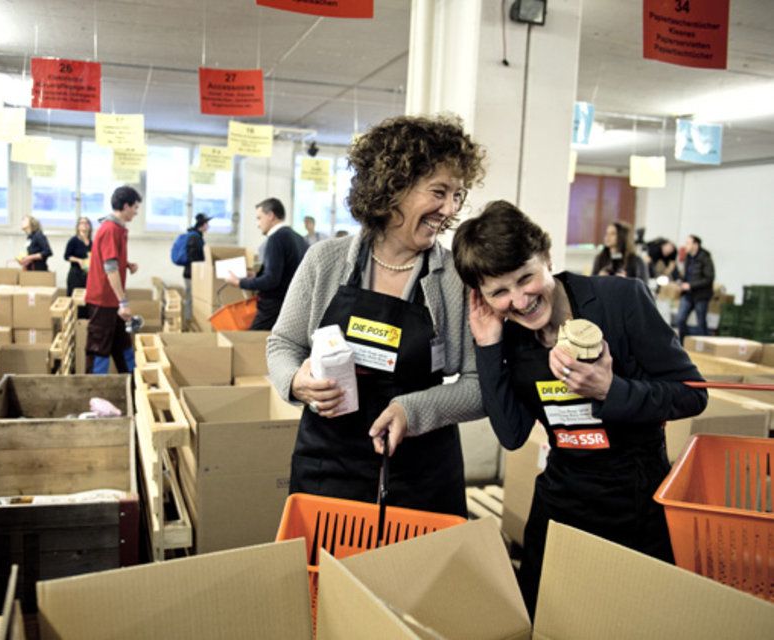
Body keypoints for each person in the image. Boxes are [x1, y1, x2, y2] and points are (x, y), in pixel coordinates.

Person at [451, 200, 707, 615]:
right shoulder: (509, 337)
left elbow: (692, 392)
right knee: (547, 616)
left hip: (636, 500)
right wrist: (487, 346)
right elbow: (513, 433)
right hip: (561, 502)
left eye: (526, 278)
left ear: (546, 258)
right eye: (499, 291)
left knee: (634, 619)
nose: (519, 300)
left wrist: (610, 389)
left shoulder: (621, 300)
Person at [267, 114, 486, 516]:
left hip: (422, 470)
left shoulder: (456, 278)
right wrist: (296, 380)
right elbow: (282, 344)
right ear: (394, 187)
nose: (450, 208)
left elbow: (480, 385)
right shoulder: (325, 261)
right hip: (328, 464)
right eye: (439, 192)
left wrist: (412, 411)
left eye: (457, 195)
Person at [225, 198, 307, 331]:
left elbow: (271, 280)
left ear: (271, 215)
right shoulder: (297, 237)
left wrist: (239, 283)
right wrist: (256, 275)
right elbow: (285, 272)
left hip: (273, 306)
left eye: (259, 218)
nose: (258, 224)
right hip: (292, 306)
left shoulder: (276, 239)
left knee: (250, 343)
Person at [85, 186, 140, 374]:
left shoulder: (117, 228)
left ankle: (134, 387)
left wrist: (126, 264)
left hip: (112, 301)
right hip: (103, 301)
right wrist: (123, 302)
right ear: (126, 206)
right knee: (99, 349)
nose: (136, 212)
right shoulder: (110, 229)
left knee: (122, 345)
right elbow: (110, 269)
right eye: (135, 207)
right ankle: (93, 394)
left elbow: (110, 260)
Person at [673, 234, 714, 341]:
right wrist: (681, 282)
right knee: (680, 319)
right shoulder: (688, 258)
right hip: (688, 294)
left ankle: (704, 346)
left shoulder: (705, 258)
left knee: (701, 323)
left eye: (688, 243)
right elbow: (686, 275)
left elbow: (709, 278)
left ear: (696, 245)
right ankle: (683, 344)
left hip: (701, 295)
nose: (686, 245)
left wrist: (690, 285)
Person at [182, 213, 211, 322]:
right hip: (191, 274)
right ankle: (188, 321)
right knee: (190, 298)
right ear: (202, 225)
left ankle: (190, 320)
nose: (208, 226)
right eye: (207, 224)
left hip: (192, 273)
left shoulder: (197, 236)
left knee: (192, 297)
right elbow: (193, 256)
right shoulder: (195, 237)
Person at [64, 216, 93, 297]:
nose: (84, 225)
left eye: (87, 223)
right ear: (78, 227)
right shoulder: (73, 240)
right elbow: (66, 256)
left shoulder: (91, 243)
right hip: (75, 275)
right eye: (82, 223)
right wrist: (79, 260)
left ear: (90, 227)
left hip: (87, 276)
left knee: (86, 300)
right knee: (75, 300)